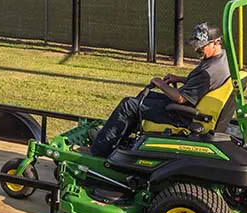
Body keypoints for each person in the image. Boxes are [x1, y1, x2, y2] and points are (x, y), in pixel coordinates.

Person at [90, 22, 232, 157]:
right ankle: (115, 138)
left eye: (201, 46)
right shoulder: (223, 59)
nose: (197, 49)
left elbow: (180, 98)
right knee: (143, 98)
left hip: (184, 115)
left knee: (128, 105)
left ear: (216, 42)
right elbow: (204, 85)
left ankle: (100, 149)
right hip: (195, 107)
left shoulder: (208, 71)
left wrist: (159, 83)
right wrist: (180, 79)